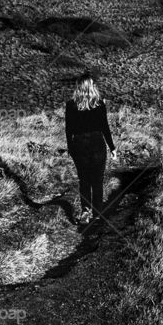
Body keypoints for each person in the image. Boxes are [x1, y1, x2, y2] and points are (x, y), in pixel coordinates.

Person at [65, 72, 117, 225]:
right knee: (97, 181)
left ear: (79, 87)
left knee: (84, 181)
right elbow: (105, 127)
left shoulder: (70, 105)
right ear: (91, 87)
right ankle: (98, 214)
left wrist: (70, 148)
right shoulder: (100, 104)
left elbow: (68, 129)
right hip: (97, 144)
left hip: (79, 145)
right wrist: (112, 147)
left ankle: (85, 212)